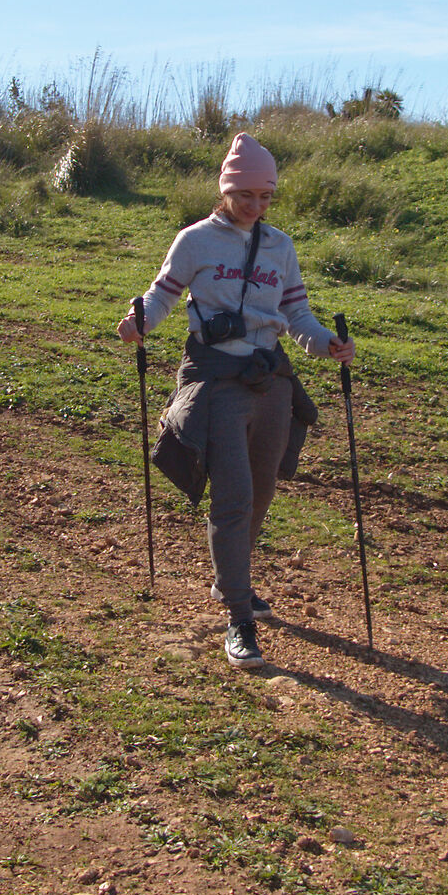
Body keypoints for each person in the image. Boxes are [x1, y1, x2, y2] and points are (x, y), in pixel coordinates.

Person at [118, 133, 354, 669]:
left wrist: (328, 344)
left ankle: (233, 579)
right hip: (217, 379)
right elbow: (161, 295)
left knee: (263, 491)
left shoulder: (281, 247)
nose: (255, 205)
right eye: (245, 194)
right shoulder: (195, 240)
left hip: (271, 381)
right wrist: (140, 323)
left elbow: (297, 315)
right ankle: (238, 616)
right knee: (234, 496)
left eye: (265, 196)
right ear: (226, 190)